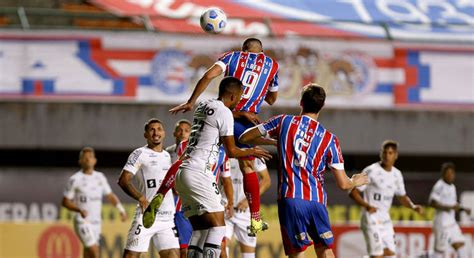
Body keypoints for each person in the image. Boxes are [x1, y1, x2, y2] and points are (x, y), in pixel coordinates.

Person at [240, 83, 368, 258]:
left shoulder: (283, 121)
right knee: (325, 249)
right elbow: (344, 184)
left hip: (290, 199)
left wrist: (275, 141)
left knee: (296, 253)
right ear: (322, 106)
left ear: (301, 102)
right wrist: (356, 181)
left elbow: (245, 137)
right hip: (316, 201)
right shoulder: (330, 139)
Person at [170, 38, 279, 234]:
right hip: (247, 121)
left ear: (243, 49)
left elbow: (208, 75)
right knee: (247, 165)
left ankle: (193, 196)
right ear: (261, 52)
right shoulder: (272, 65)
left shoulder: (232, 57)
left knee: (201, 152)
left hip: (227, 112)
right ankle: (255, 219)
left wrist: (191, 101)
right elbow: (272, 99)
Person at [156, 76, 272, 258]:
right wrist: (253, 151)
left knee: (200, 231)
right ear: (233, 96)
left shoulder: (204, 105)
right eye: (240, 97)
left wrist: (240, 114)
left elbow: (217, 115)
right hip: (200, 173)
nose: (239, 101)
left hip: (182, 173)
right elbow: (232, 151)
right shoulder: (225, 113)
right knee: (218, 228)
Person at [349, 140, 423, 258]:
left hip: (386, 219)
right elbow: (352, 191)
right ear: (381, 153)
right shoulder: (371, 171)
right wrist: (367, 206)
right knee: (377, 255)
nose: (387, 156)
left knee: (390, 254)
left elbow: (402, 197)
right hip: (371, 218)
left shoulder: (397, 175)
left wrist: (413, 206)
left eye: (390, 153)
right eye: (385, 152)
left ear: (396, 155)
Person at [117, 118, 180, 258]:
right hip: (146, 215)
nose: (155, 132)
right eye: (151, 129)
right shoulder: (139, 154)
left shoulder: (168, 157)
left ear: (164, 133)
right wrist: (141, 198)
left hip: (167, 218)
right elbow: (123, 180)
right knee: (130, 256)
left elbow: (173, 187)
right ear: (145, 135)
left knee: (173, 255)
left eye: (159, 129)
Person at [62, 147, 128, 258]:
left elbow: (110, 195)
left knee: (88, 253)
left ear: (95, 160)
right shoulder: (75, 179)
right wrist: (78, 209)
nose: (88, 159)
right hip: (82, 221)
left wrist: (121, 210)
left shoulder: (100, 177)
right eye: (85, 157)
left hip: (96, 222)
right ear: (80, 161)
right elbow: (65, 201)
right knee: (95, 252)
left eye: (90, 157)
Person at [220, 158, 271, 258]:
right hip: (225, 208)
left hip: (245, 212)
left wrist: (248, 200)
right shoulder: (223, 150)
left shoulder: (253, 152)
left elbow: (266, 180)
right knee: (221, 248)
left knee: (248, 255)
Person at [429, 162, 471, 258]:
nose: (450, 175)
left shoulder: (452, 187)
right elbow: (432, 203)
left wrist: (463, 209)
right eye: (448, 173)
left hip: (451, 223)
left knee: (461, 247)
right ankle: (424, 256)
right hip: (442, 224)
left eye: (452, 173)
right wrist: (449, 207)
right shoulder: (439, 186)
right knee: (439, 252)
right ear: (443, 174)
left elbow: (453, 203)